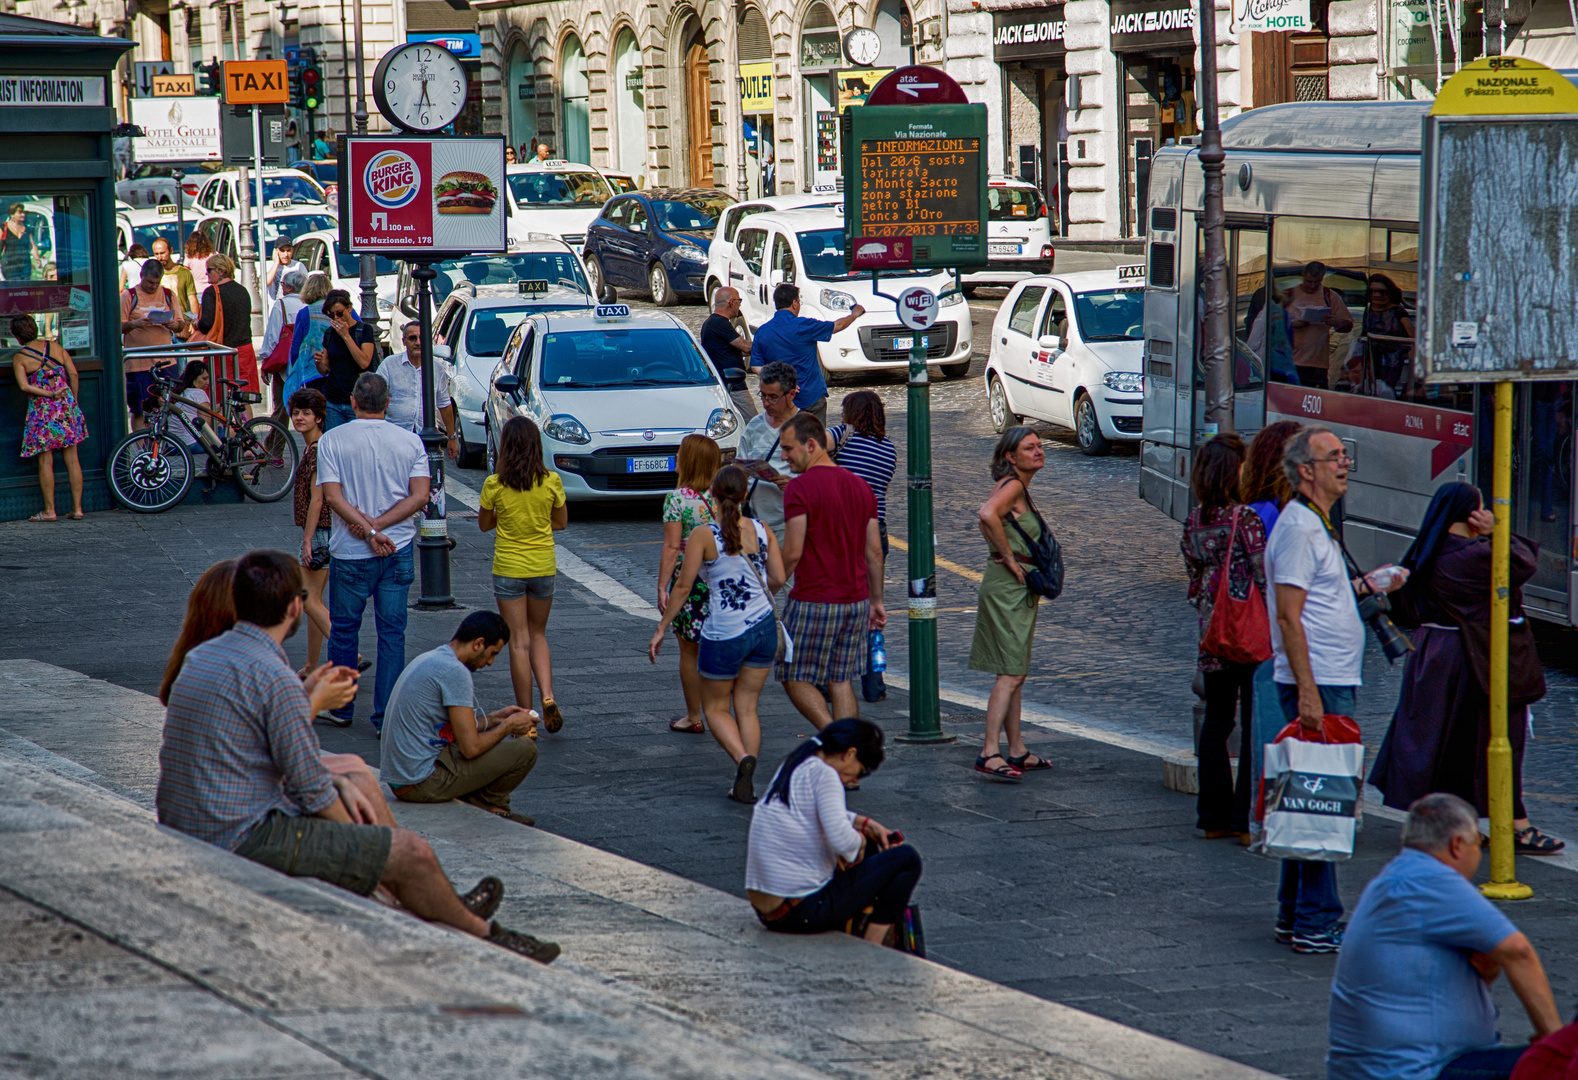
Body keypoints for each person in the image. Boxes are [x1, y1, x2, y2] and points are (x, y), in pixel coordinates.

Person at [156, 550, 559, 964]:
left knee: (356, 778)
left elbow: (259, 742)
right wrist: (371, 845)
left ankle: (411, 894)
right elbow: (308, 785)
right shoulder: (271, 671)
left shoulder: (206, 656)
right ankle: (480, 932)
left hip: (197, 814)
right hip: (240, 833)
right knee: (408, 851)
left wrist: (309, 704)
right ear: (295, 607)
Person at [1266, 423, 1408, 953]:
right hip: (1319, 683)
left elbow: (1319, 597)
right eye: (1333, 456)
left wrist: (1368, 584)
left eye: (1344, 455)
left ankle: (1294, 914)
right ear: (1306, 470)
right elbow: (1288, 614)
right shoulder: (1302, 528)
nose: (1345, 463)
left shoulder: (1315, 525)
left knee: (1309, 795)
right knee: (1323, 801)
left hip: (1327, 679)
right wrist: (1307, 692)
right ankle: (1317, 920)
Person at [1370, 483, 1562, 854]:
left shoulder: (1430, 550)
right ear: (1470, 515)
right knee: (1494, 738)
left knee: (1439, 742)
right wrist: (1497, 530)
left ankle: (1451, 823)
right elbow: (1524, 563)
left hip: (1432, 655)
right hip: (1468, 658)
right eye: (1481, 508)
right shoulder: (1472, 555)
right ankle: (1515, 826)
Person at [1328, 793, 1559, 1080]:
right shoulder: (1429, 879)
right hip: (1419, 1070)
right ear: (1457, 844)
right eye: (1478, 844)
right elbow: (1518, 951)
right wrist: (1557, 1047)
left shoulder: (1397, 877)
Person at [650, 464, 786, 802]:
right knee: (748, 707)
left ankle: (743, 760)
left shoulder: (704, 535)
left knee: (714, 709)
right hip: (763, 628)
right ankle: (746, 781)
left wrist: (662, 628)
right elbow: (780, 579)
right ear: (744, 496)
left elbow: (682, 588)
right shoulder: (762, 529)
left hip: (723, 633)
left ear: (712, 494)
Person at [317, 373, 430, 732]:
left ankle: (341, 707)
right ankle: (386, 716)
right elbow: (419, 496)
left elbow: (333, 498)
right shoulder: (410, 442)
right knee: (392, 634)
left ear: (352, 402)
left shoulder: (332, 441)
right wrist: (380, 527)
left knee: (345, 632)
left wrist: (367, 530)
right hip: (396, 547)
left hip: (351, 551)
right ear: (388, 403)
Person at [746, 719, 921, 944]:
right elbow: (842, 840)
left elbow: (810, 812)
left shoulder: (798, 763)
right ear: (850, 754)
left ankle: (862, 927)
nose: (855, 780)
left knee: (870, 847)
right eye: (862, 771)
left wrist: (865, 824)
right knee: (907, 859)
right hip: (801, 911)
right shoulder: (826, 775)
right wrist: (859, 841)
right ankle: (873, 944)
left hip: (770, 912)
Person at [776, 413, 885, 729]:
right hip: (855, 601)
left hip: (814, 599)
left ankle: (833, 737)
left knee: (791, 672)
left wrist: (769, 587)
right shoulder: (861, 487)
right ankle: (848, 756)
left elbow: (793, 552)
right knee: (840, 680)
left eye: (788, 449)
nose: (783, 457)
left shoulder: (800, 489)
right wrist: (876, 601)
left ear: (811, 445)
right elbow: (874, 551)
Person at [1181, 435, 1266, 840]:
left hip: (1212, 629)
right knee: (1252, 722)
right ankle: (1242, 818)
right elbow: (1262, 574)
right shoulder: (1245, 519)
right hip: (1247, 630)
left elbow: (1194, 576)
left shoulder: (1195, 520)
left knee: (1216, 720)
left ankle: (1211, 815)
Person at [382, 612, 540, 824]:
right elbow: (470, 747)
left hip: (402, 780)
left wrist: (496, 719)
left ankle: (485, 802)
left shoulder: (434, 657)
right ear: (478, 643)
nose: (491, 662)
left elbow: (457, 730)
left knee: (489, 740)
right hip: (421, 782)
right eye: (492, 653)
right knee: (524, 750)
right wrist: (508, 726)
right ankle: (491, 805)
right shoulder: (456, 672)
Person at [968, 427, 1053, 780]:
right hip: (1009, 587)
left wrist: (1003, 554)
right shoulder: (1013, 486)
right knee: (1013, 672)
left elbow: (988, 519)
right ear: (1010, 456)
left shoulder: (1013, 486)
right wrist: (1010, 558)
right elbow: (987, 514)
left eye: (1039, 446)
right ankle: (990, 751)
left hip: (1009, 585)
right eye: (1029, 447)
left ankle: (1016, 748)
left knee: (1013, 667)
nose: (1038, 451)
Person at [479, 416, 568, 733]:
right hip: (543, 566)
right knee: (539, 634)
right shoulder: (551, 482)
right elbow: (560, 523)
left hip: (508, 568)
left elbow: (485, 525)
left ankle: (528, 719)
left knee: (518, 641)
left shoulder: (495, 485)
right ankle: (547, 697)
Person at [826, 391, 898, 703]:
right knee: (871, 611)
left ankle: (827, 678)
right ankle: (875, 684)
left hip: (843, 528)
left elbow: (812, 444)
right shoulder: (889, 449)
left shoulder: (844, 434)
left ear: (851, 414)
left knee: (834, 604)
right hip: (875, 530)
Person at [658, 434, 721, 735]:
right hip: (723, 577)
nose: (677, 457)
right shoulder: (725, 496)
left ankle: (694, 715)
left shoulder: (676, 500)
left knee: (688, 650)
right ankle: (722, 709)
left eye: (680, 453)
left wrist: (661, 586)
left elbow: (672, 549)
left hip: (690, 580)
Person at [750, 283, 864, 425]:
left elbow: (756, 367)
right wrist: (854, 315)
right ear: (794, 303)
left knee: (786, 441)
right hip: (810, 397)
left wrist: (780, 380)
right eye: (799, 301)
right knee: (816, 442)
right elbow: (837, 326)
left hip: (782, 400)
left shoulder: (762, 332)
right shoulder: (804, 326)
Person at [11, 314, 86, 522]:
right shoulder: (56, 347)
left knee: (45, 462)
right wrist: (73, 401)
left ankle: (49, 511)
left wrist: (49, 395)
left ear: (17, 337)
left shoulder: (20, 357)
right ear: (35, 329)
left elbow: (25, 386)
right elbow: (74, 374)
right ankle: (77, 509)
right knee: (73, 460)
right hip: (66, 407)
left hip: (42, 412)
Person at [288, 386, 336, 683]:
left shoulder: (318, 450)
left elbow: (318, 499)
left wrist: (307, 540)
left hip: (320, 531)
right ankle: (312, 665)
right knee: (314, 601)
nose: (299, 418)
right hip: (321, 530)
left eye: (306, 413)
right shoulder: (314, 447)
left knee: (307, 598)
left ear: (319, 418)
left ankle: (348, 652)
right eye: (295, 413)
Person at [735, 360, 801, 537]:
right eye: (762, 396)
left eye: (773, 397)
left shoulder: (806, 426)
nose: (766, 403)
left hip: (789, 524)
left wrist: (794, 486)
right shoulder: (754, 426)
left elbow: (821, 479)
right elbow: (741, 465)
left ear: (791, 394)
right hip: (753, 522)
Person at [120, 257, 188, 430]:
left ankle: (162, 445)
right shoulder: (129, 296)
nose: (153, 286)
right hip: (138, 364)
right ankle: (141, 450)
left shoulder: (168, 295)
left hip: (165, 362)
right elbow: (117, 327)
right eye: (150, 282)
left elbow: (180, 322)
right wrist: (134, 324)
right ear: (142, 276)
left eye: (157, 283)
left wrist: (175, 324)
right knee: (140, 409)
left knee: (165, 406)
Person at [385, 320, 457, 454]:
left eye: (422, 338)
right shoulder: (389, 365)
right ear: (404, 341)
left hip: (426, 440)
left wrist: (452, 437)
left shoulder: (436, 368)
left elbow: (444, 403)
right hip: (395, 437)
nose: (418, 342)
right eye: (412, 338)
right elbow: (377, 400)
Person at [312, 288, 379, 429]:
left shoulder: (364, 330)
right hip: (334, 399)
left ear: (349, 308)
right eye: (331, 315)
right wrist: (319, 362)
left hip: (358, 400)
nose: (336, 318)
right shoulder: (330, 333)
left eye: (339, 313)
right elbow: (325, 370)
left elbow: (364, 362)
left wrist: (346, 335)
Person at [195, 253, 259, 397]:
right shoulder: (243, 291)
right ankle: (248, 421)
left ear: (221, 271)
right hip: (244, 351)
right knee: (244, 396)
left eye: (210, 269)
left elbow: (206, 324)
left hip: (221, 352)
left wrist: (195, 323)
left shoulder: (212, 292)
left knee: (219, 397)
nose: (206, 273)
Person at [1283, 261, 1353, 390]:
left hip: (1318, 363)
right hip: (1290, 360)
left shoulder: (1329, 295)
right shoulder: (1289, 294)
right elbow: (1272, 323)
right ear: (1303, 276)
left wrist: (1336, 321)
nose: (1312, 286)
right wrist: (1292, 324)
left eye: (1317, 282)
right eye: (1309, 281)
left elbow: (1348, 325)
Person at [700, 287, 756, 420]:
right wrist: (769, 344)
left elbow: (734, 350)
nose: (739, 304)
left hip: (728, 383)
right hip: (733, 385)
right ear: (731, 302)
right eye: (739, 301)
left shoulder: (713, 322)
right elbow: (745, 347)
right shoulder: (719, 322)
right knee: (754, 422)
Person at [1361, 273, 1415, 395]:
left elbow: (1411, 334)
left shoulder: (1398, 311)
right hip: (1371, 357)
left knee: (1387, 390)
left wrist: (1409, 351)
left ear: (1390, 293)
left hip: (1392, 359)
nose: (1376, 295)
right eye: (1372, 291)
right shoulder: (1369, 310)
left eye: (1382, 292)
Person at [262, 268, 306, 415]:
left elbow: (272, 337)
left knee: (281, 407)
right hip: (304, 362)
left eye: (283, 285)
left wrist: (266, 363)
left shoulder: (281, 305)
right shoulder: (307, 305)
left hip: (284, 363)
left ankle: (278, 437)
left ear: (289, 287)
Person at [285, 271, 333, 403]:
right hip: (336, 368)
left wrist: (296, 368)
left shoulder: (305, 313)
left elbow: (296, 346)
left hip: (312, 370)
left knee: (316, 406)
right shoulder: (339, 310)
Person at [151, 237, 198, 318]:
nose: (159, 257)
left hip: (182, 318)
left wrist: (195, 320)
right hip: (161, 320)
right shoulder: (152, 273)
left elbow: (192, 299)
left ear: (171, 251)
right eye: (156, 254)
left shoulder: (184, 273)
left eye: (162, 253)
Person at [1, 202, 39, 280]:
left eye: (23, 212)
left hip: (25, 264)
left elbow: (32, 246)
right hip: (10, 264)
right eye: (20, 213)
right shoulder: (4, 228)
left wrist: (37, 259)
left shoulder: (26, 229)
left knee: (25, 286)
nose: (23, 215)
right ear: (12, 215)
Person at [264, 238, 304, 304]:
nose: (286, 254)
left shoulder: (298, 265)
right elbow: (265, 283)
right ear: (276, 251)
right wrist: (276, 263)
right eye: (282, 251)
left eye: (288, 251)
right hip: (275, 306)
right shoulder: (268, 266)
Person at [184, 230, 214, 304]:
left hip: (197, 290)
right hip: (211, 288)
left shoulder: (189, 258)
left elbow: (185, 273)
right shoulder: (212, 255)